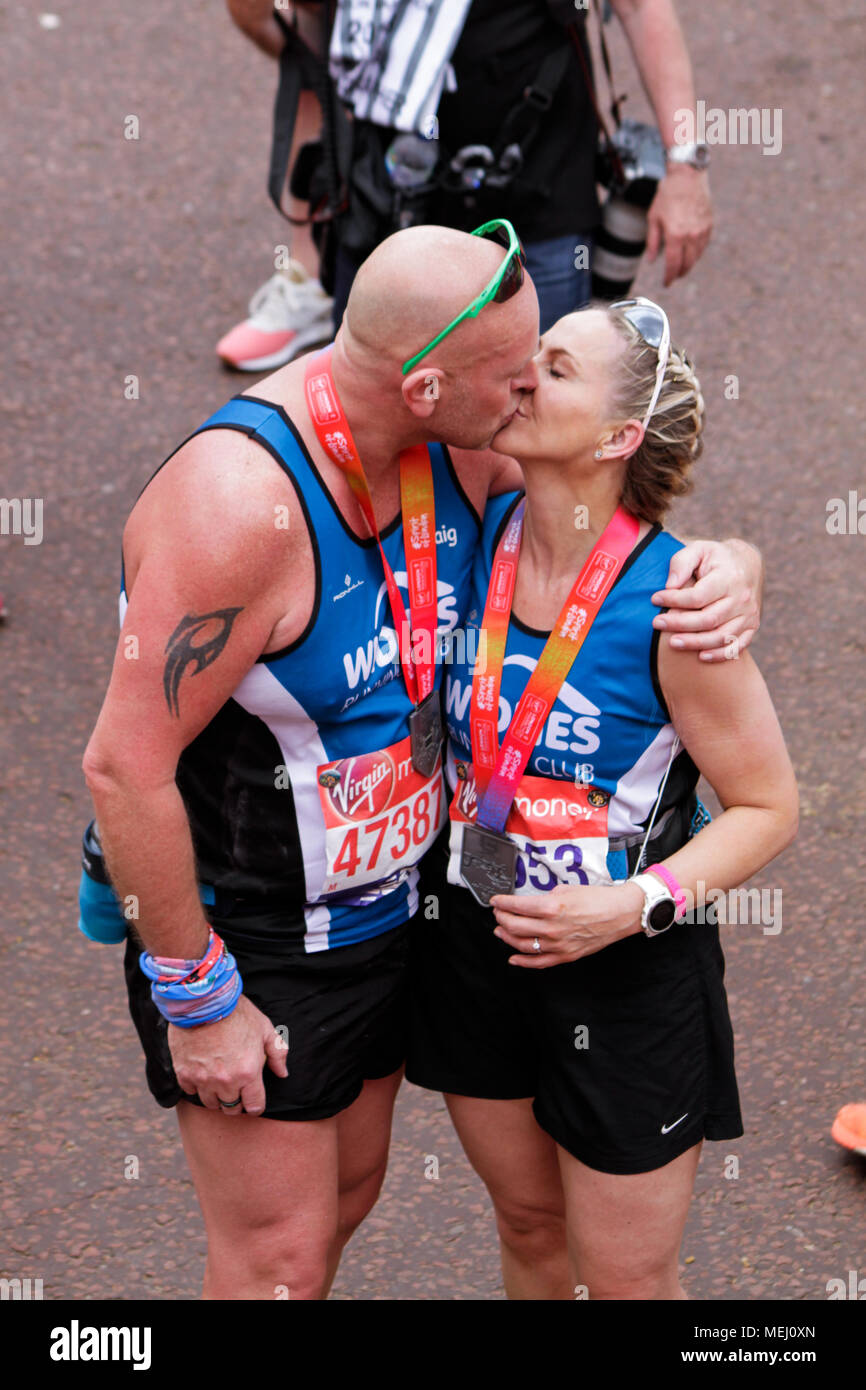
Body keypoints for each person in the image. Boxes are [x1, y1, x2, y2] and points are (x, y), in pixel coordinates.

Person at [83, 223, 763, 1300]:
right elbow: (122, 770)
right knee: (278, 1261)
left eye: (545, 367)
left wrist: (731, 566)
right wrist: (197, 998)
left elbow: (604, 535)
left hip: (405, 913)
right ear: (427, 381)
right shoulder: (233, 512)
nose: (526, 398)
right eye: (512, 378)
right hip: (261, 933)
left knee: (345, 1204)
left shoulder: (460, 440)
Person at [406, 297, 799, 1300]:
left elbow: (766, 805)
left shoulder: (672, 606)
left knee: (625, 1280)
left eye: (557, 368)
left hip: (626, 975)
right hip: (477, 939)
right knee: (530, 1228)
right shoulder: (475, 521)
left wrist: (631, 905)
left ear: (619, 437)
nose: (523, 377)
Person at [219, 0, 713, 364]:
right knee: (368, 422)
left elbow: (640, 7)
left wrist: (685, 166)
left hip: (538, 190)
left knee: (537, 413)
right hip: (383, 197)